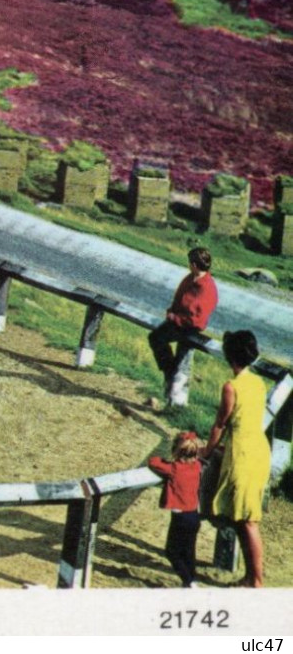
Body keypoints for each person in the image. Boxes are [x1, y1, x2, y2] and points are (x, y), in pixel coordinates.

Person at [202, 330, 270, 587]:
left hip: (242, 453)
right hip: (259, 449)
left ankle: (255, 580)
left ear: (230, 355)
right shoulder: (258, 383)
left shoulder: (231, 387)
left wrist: (206, 451)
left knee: (247, 519)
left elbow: (220, 424)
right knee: (244, 516)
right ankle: (252, 577)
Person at [148, 248, 218, 397]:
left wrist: (176, 318)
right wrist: (171, 312)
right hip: (178, 321)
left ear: (194, 264)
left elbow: (197, 319)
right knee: (155, 337)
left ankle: (171, 375)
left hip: (190, 327)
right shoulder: (190, 278)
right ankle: (170, 373)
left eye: (189, 263)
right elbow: (178, 297)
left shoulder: (206, 287)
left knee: (157, 338)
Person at [147, 430, 204, 587]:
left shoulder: (174, 468)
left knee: (171, 552)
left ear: (176, 451)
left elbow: (153, 462)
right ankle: (191, 581)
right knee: (189, 552)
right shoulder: (197, 466)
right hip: (194, 516)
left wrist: (165, 459)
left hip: (180, 518)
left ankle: (189, 581)